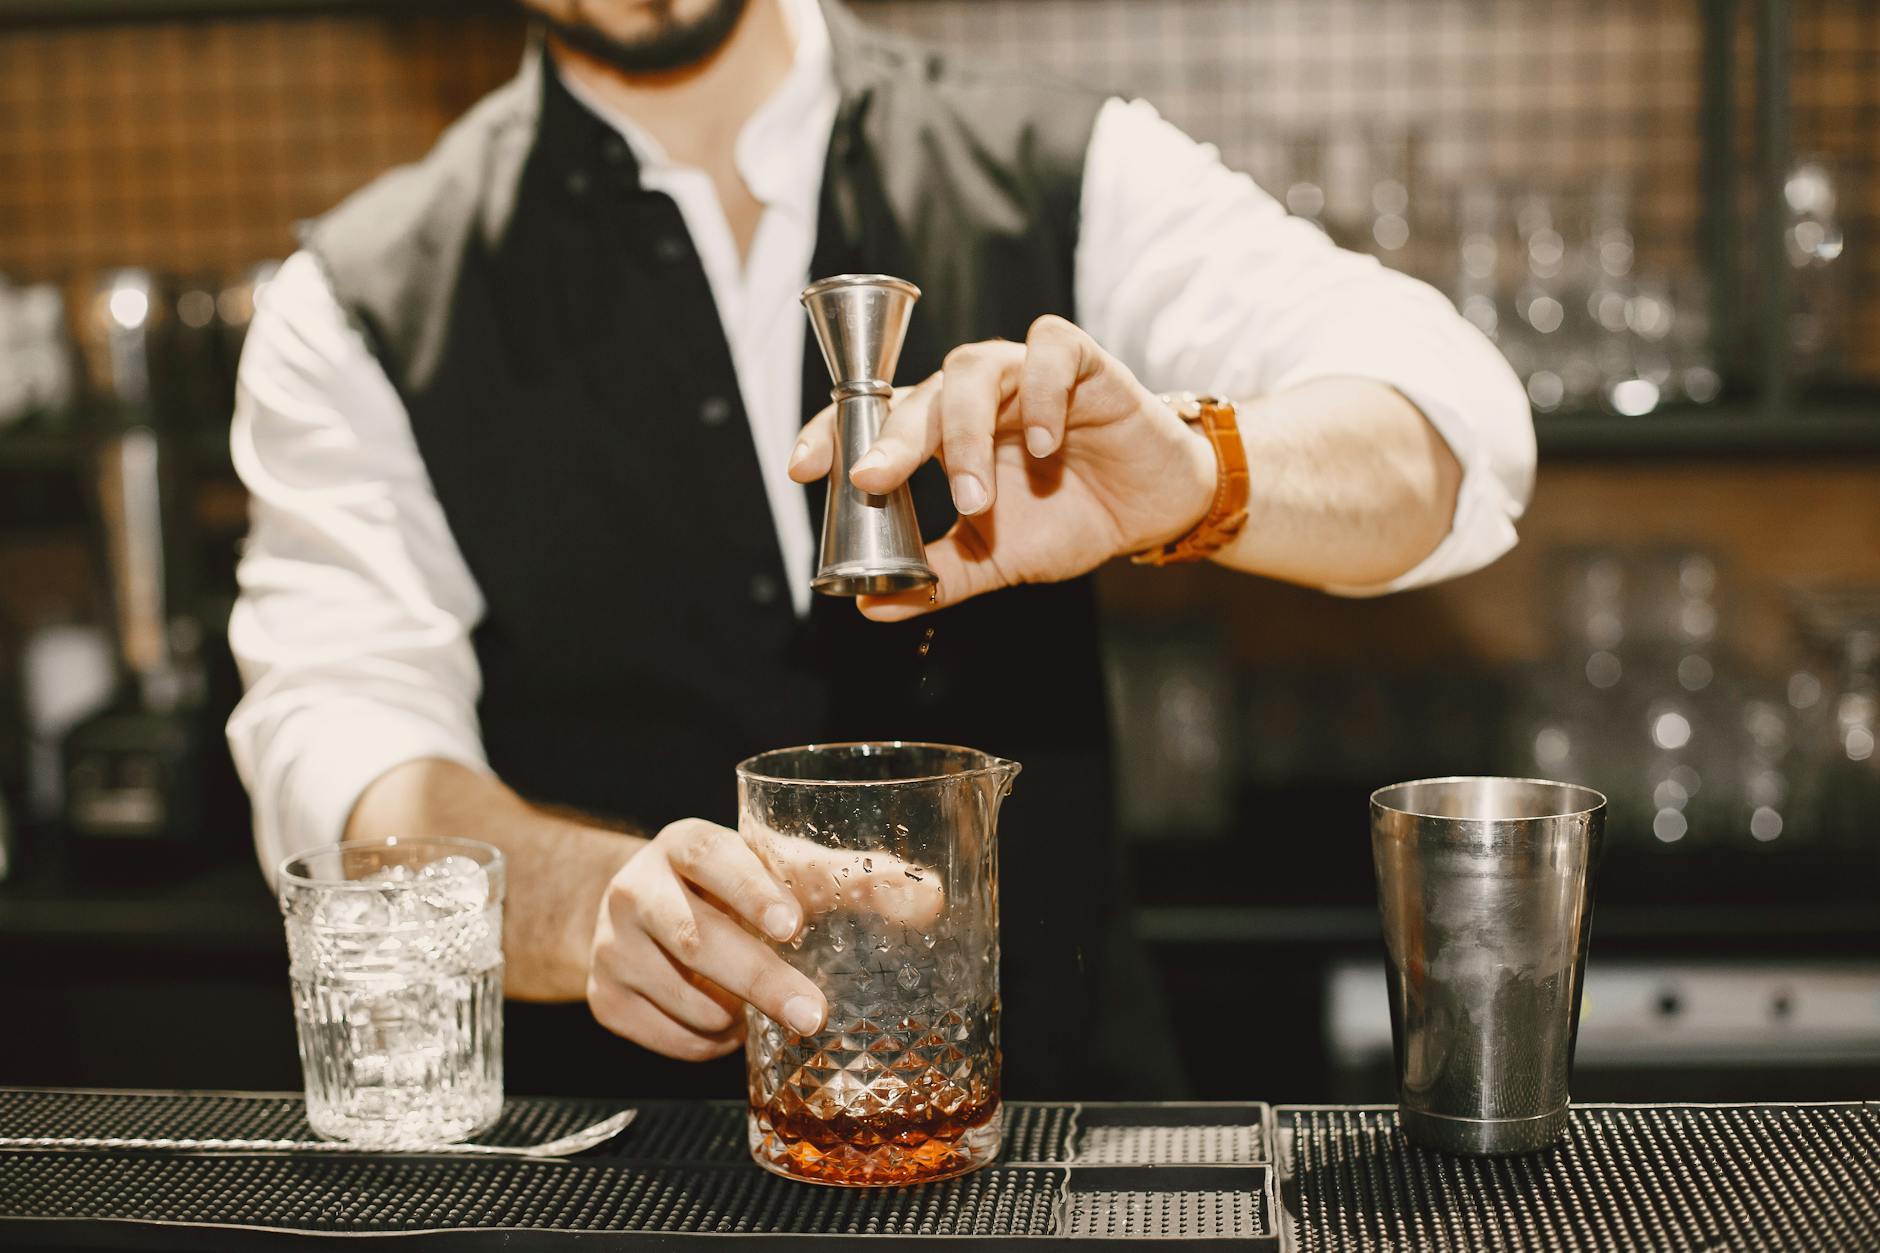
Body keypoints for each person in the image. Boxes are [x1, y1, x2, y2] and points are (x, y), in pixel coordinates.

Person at [228, 0, 1534, 1098]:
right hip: (630, 1181)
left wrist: (1192, 474)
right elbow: (339, 741)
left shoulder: (1067, 164)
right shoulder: (354, 307)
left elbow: (1449, 427)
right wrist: (589, 901)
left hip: (1061, 1158)